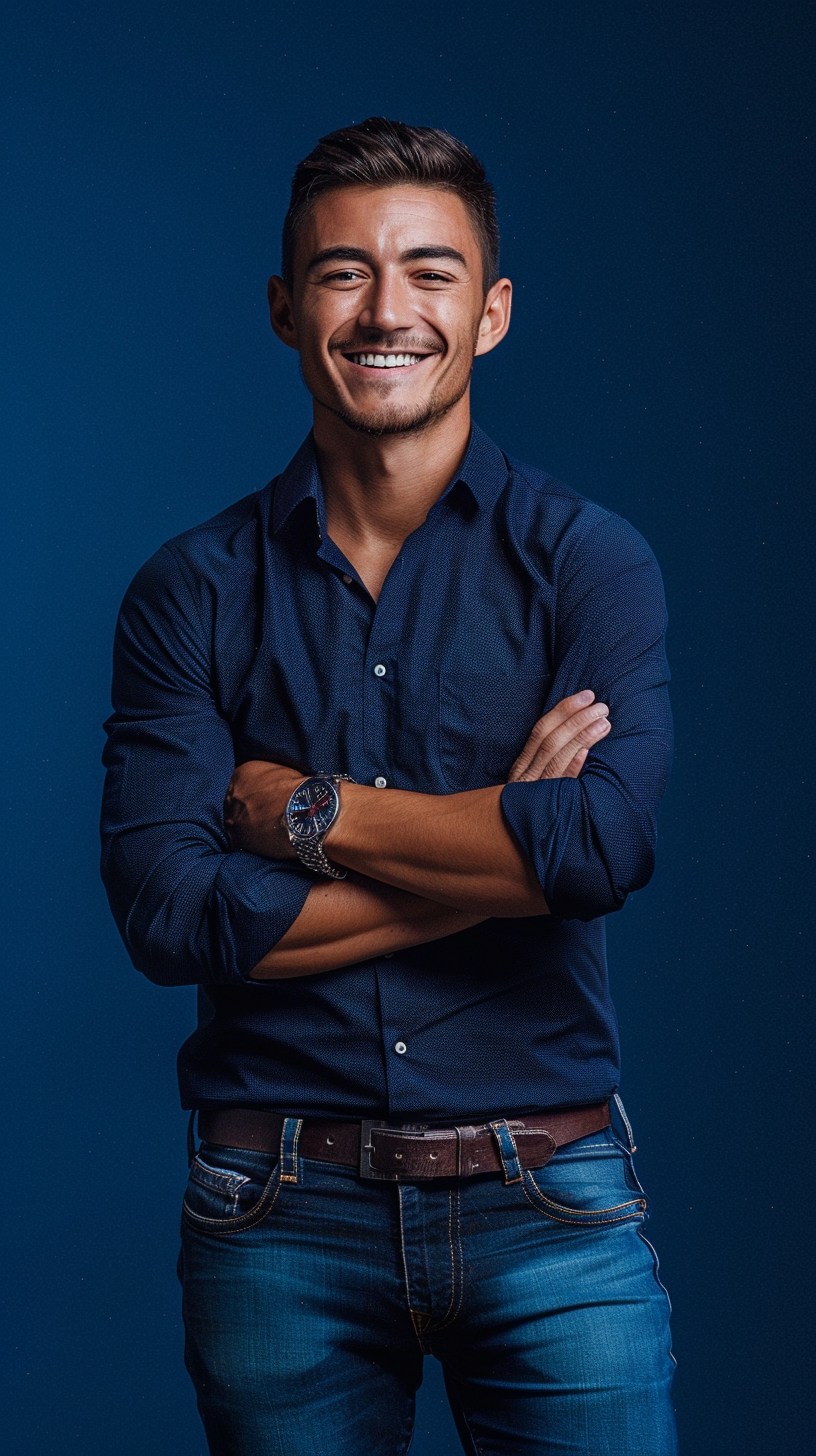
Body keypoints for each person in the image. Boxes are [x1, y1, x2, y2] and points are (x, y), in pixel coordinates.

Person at [101, 117, 677, 1455]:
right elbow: (171, 919)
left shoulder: (592, 564)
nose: (387, 310)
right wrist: (505, 859)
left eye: (430, 270)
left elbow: (602, 849)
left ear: (492, 311)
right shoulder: (188, 593)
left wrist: (303, 814)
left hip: (555, 1201)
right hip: (273, 1207)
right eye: (344, 271)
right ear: (286, 308)